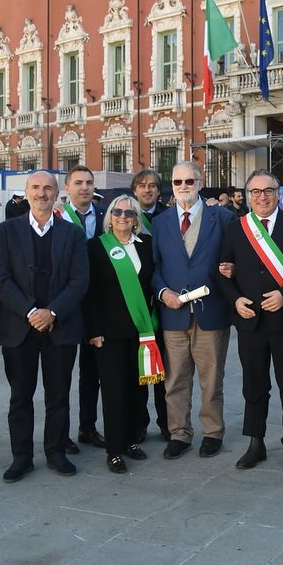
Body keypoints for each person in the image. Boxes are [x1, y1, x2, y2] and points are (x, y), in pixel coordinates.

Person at [218, 169, 283, 470]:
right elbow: (222, 269)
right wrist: (235, 299)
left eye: (268, 191)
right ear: (247, 196)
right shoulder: (237, 228)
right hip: (250, 321)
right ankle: (256, 443)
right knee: (254, 385)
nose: (262, 197)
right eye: (256, 192)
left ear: (278, 193)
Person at [0, 171, 89, 482]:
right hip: (19, 327)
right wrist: (31, 311)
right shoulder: (7, 231)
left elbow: (79, 280)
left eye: (48, 188)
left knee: (58, 395)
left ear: (58, 194)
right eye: (35, 187)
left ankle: (56, 451)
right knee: (20, 396)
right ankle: (21, 456)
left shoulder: (72, 234)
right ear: (26, 192)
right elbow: (0, 279)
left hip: (59, 328)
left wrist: (53, 312)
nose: (41, 193)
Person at [152, 161, 234, 459]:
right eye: (177, 182)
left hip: (211, 312)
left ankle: (212, 432)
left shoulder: (223, 218)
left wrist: (232, 268)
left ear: (200, 183)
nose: (183, 187)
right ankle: (179, 433)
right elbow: (155, 267)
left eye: (189, 181)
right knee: (175, 379)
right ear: (171, 186)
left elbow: (233, 257)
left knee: (211, 378)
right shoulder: (160, 223)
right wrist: (163, 292)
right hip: (173, 313)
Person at [85, 195, 157, 473]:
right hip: (109, 333)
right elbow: (88, 293)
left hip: (141, 330)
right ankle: (114, 449)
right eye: (117, 212)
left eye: (129, 212)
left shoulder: (147, 246)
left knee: (137, 389)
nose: (123, 217)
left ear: (137, 218)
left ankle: (130, 440)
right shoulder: (96, 247)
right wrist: (93, 329)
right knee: (114, 391)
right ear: (110, 216)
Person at [59, 166, 107, 452]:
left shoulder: (104, 217)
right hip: (66, 304)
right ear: (67, 187)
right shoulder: (56, 217)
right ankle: (60, 434)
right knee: (61, 375)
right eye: (78, 183)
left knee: (92, 372)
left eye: (89, 183)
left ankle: (87, 427)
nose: (84, 188)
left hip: (96, 305)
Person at [131, 168, 169, 441]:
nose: (147, 190)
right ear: (134, 190)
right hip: (135, 299)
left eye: (152, 186)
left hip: (164, 299)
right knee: (139, 367)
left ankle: (168, 422)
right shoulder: (125, 215)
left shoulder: (166, 216)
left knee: (164, 367)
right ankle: (139, 423)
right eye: (142, 185)